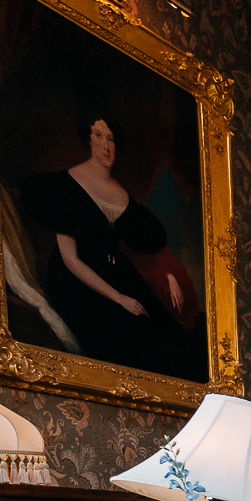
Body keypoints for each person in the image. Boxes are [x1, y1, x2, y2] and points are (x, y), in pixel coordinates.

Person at [18, 112, 201, 379]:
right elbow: (71, 260)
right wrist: (119, 298)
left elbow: (145, 246)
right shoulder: (65, 185)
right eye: (99, 136)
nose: (106, 145)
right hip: (78, 283)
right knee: (130, 334)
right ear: (88, 139)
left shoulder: (121, 192)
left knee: (170, 336)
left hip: (117, 273)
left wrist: (168, 274)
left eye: (111, 139)